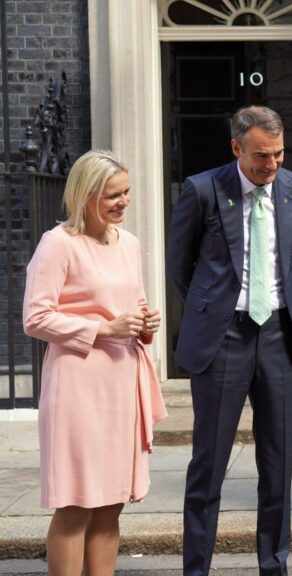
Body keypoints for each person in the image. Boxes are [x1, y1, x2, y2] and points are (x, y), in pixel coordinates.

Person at [167, 105, 292, 576]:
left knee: (278, 466)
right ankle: (197, 570)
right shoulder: (203, 189)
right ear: (236, 148)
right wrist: (213, 312)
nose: (270, 166)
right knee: (208, 466)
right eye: (259, 157)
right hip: (223, 337)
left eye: (278, 154)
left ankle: (274, 566)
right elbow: (179, 267)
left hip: (277, 335)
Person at [23, 149, 167, 575]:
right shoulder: (58, 244)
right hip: (78, 385)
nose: (123, 202)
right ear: (84, 196)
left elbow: (131, 303)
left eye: (126, 192)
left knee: (110, 503)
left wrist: (144, 322)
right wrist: (102, 329)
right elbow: (36, 317)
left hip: (122, 382)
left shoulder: (129, 243)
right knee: (75, 503)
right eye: (112, 196)